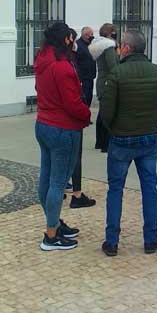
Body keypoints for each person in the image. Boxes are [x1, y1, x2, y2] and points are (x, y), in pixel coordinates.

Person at [100, 30, 157, 257]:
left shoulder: (116, 74)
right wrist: (150, 123)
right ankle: (151, 238)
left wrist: (115, 129)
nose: (119, 49)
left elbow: (106, 113)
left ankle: (112, 241)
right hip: (148, 137)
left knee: (115, 189)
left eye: (120, 46)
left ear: (127, 48)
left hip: (121, 139)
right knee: (149, 188)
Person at [34, 23, 92, 251]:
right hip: (62, 128)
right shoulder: (62, 67)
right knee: (58, 182)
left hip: (44, 124)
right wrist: (87, 114)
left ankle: (55, 224)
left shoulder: (42, 61)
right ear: (66, 40)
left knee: (47, 178)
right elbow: (73, 104)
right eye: (71, 38)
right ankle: (51, 234)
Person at [68, 26, 98, 209]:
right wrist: (84, 115)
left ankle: (65, 188)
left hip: (54, 122)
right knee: (73, 156)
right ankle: (76, 194)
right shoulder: (67, 65)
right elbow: (73, 98)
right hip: (67, 122)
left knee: (63, 158)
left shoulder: (52, 62)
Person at [91, 23, 119, 154]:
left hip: (102, 81)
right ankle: (106, 144)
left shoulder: (99, 45)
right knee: (108, 114)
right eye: (114, 31)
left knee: (102, 113)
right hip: (108, 82)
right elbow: (113, 65)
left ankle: (100, 142)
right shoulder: (109, 46)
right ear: (110, 33)